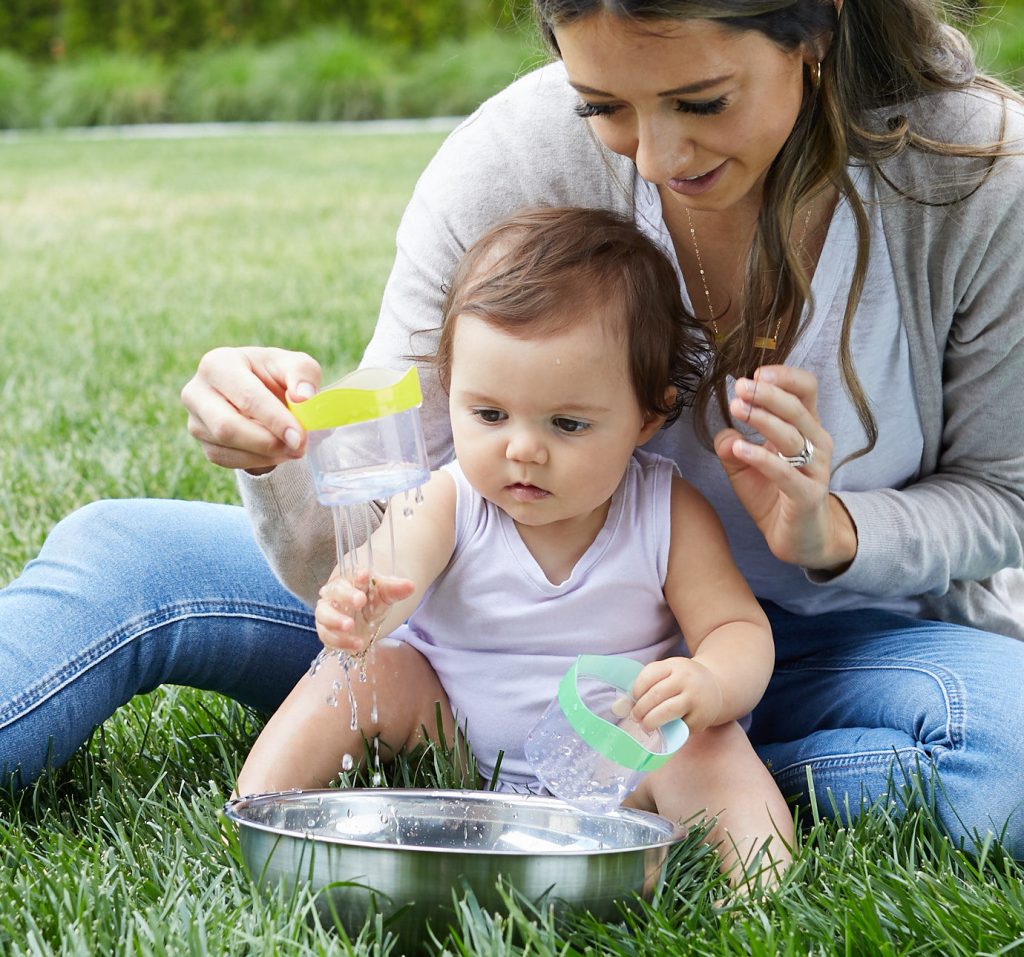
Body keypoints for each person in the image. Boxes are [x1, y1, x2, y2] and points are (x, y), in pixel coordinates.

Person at [2, 0, 1023, 859]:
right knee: (126, 553)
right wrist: (279, 449)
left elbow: (1004, 496)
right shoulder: (513, 156)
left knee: (1009, 760)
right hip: (471, 631)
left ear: (818, 26)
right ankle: (564, 774)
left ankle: (666, 786)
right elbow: (374, 535)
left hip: (816, 645)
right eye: (603, 106)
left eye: (701, 100)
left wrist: (833, 532)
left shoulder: (976, 175)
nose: (657, 156)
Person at [236, 206, 794, 880]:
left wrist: (708, 681)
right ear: (452, 396)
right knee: (367, 668)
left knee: (709, 743)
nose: (523, 448)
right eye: (490, 414)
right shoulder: (448, 499)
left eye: (567, 423)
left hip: (613, 759)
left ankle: (761, 890)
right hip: (454, 738)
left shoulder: (667, 512)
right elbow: (390, 568)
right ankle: (260, 814)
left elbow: (737, 629)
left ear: (647, 417)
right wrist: (362, 600)